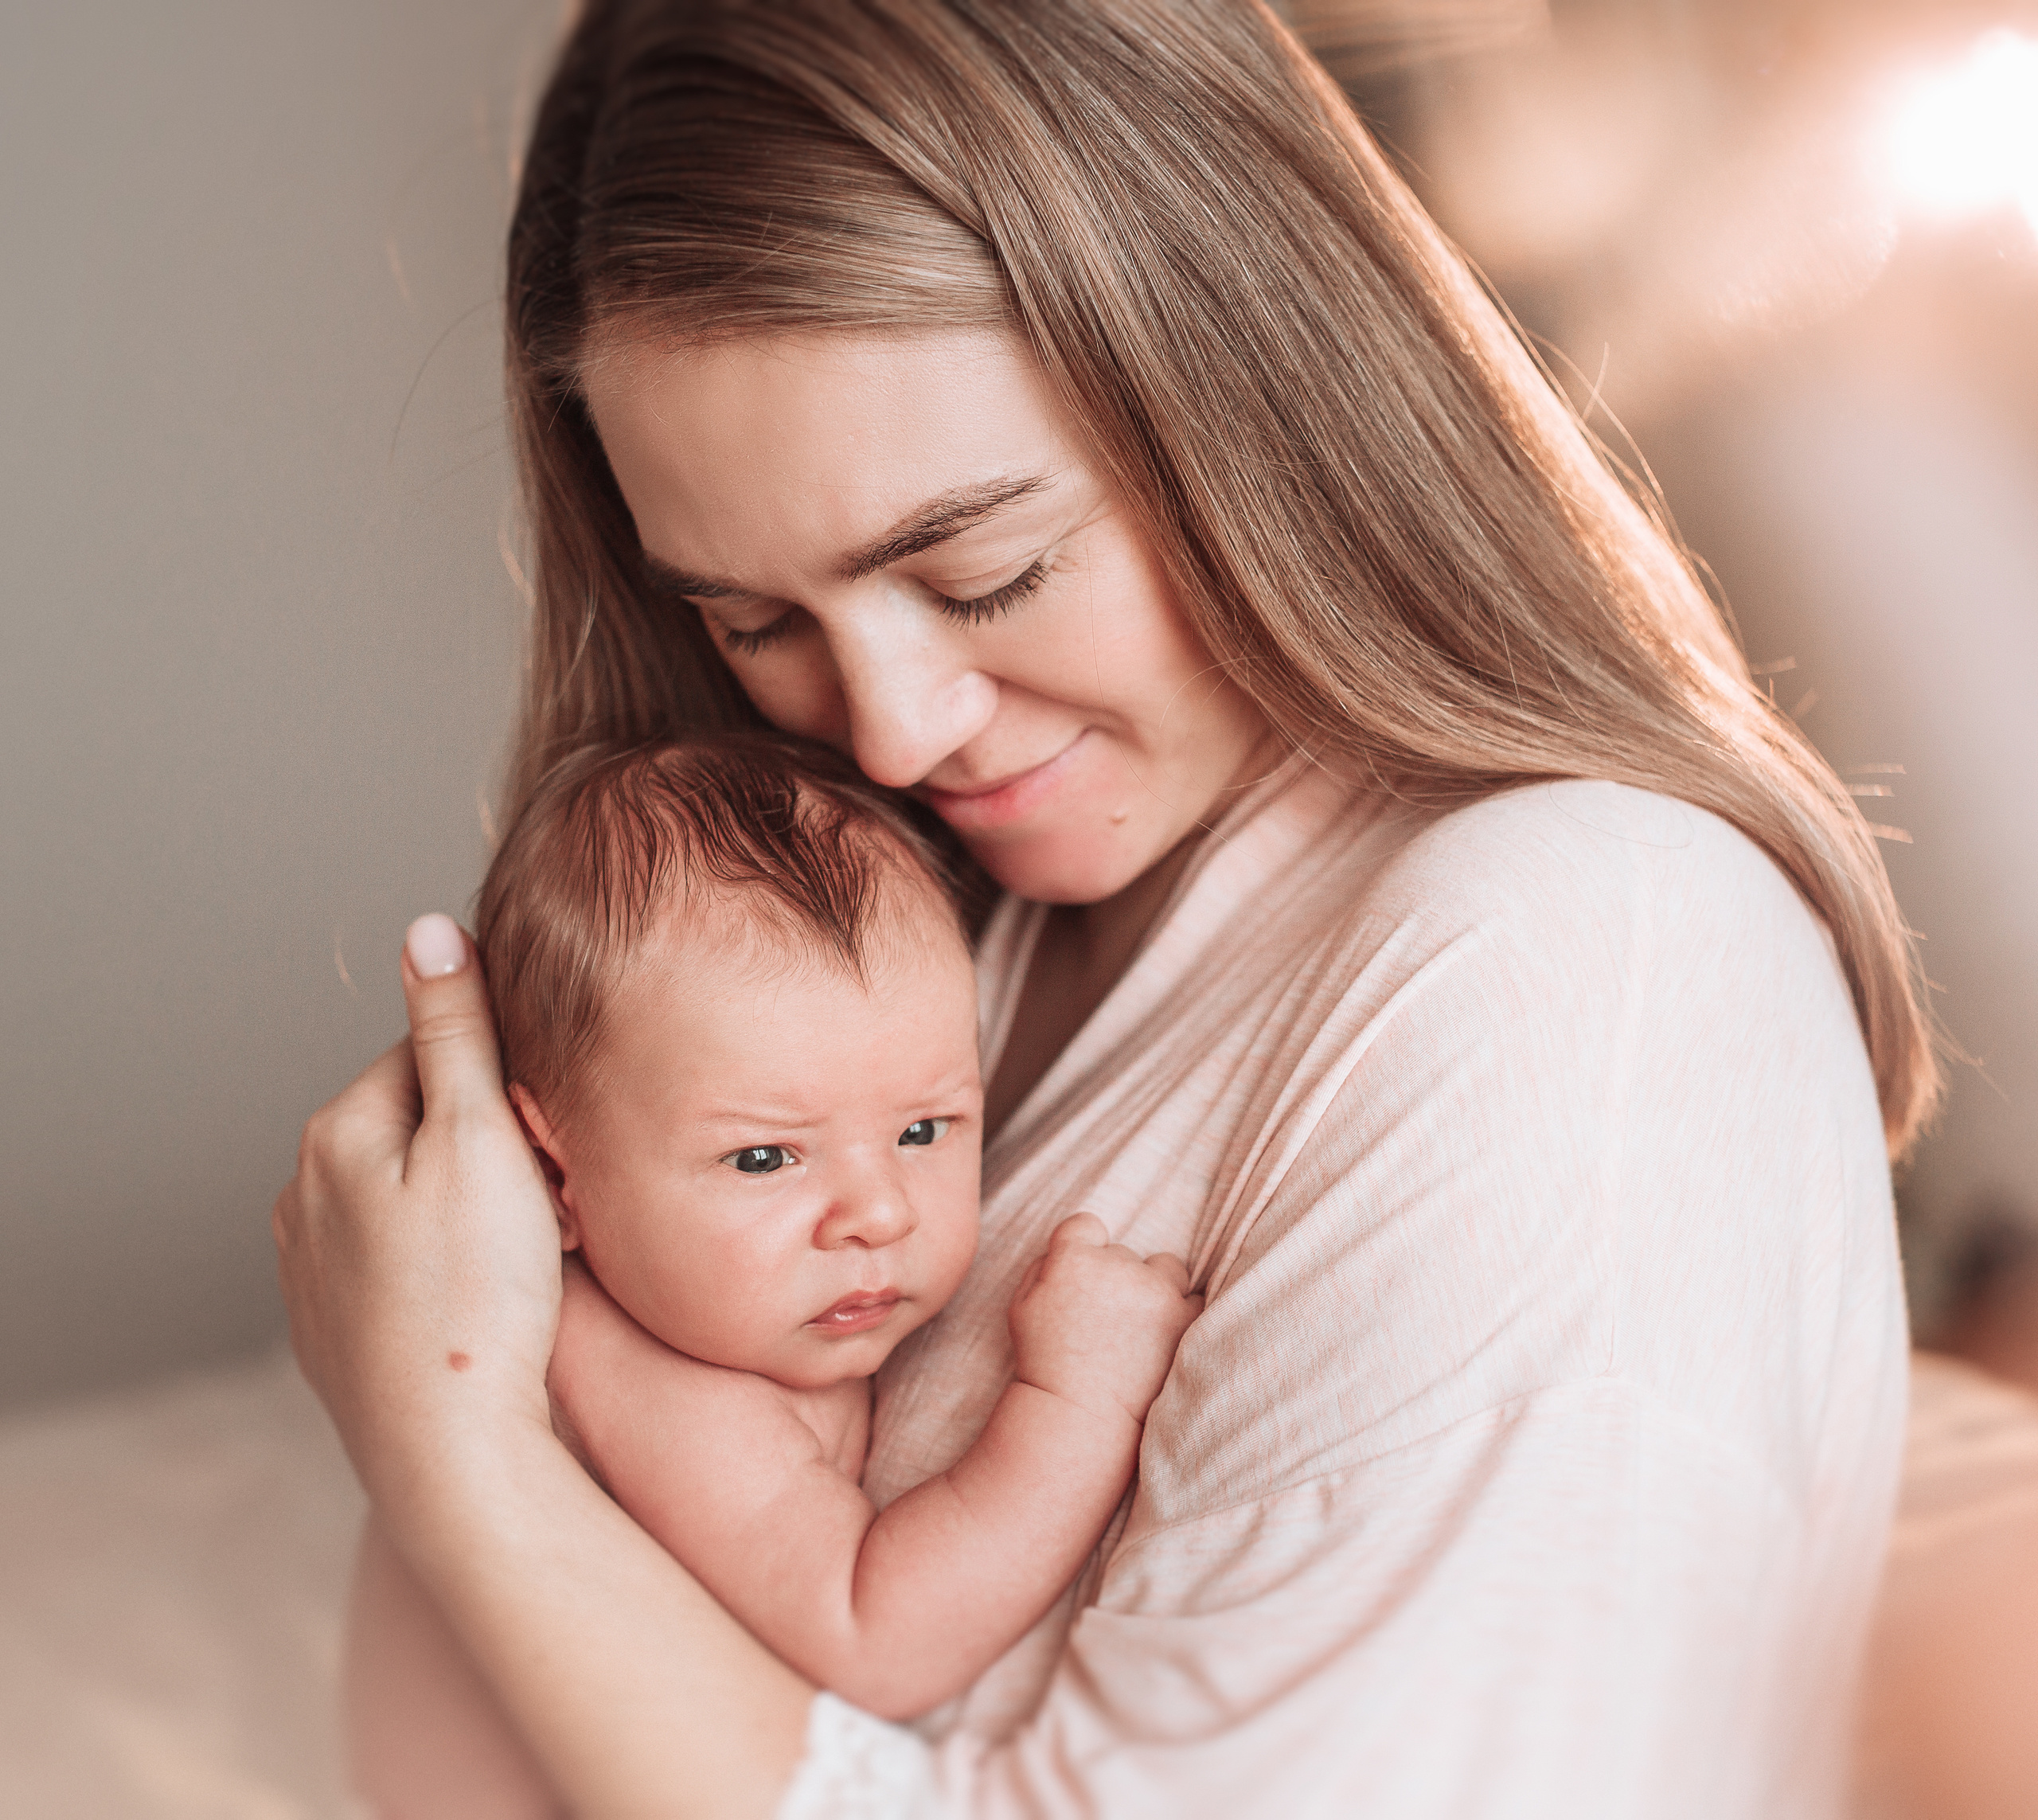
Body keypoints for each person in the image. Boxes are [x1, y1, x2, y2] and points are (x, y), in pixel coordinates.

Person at [272, 2, 1940, 1814]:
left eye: (983, 571)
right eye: (752, 623)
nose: (891, 731)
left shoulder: (1575, 968)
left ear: (1267, 400)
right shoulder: (941, 923)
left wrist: (453, 1442)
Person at [345, 736, 1201, 1814]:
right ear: (554, 1177)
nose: (878, 1211)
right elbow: (877, 1637)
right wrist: (1077, 1395)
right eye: (763, 1157)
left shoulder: (715, 1310)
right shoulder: (645, 1376)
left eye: (927, 1127)